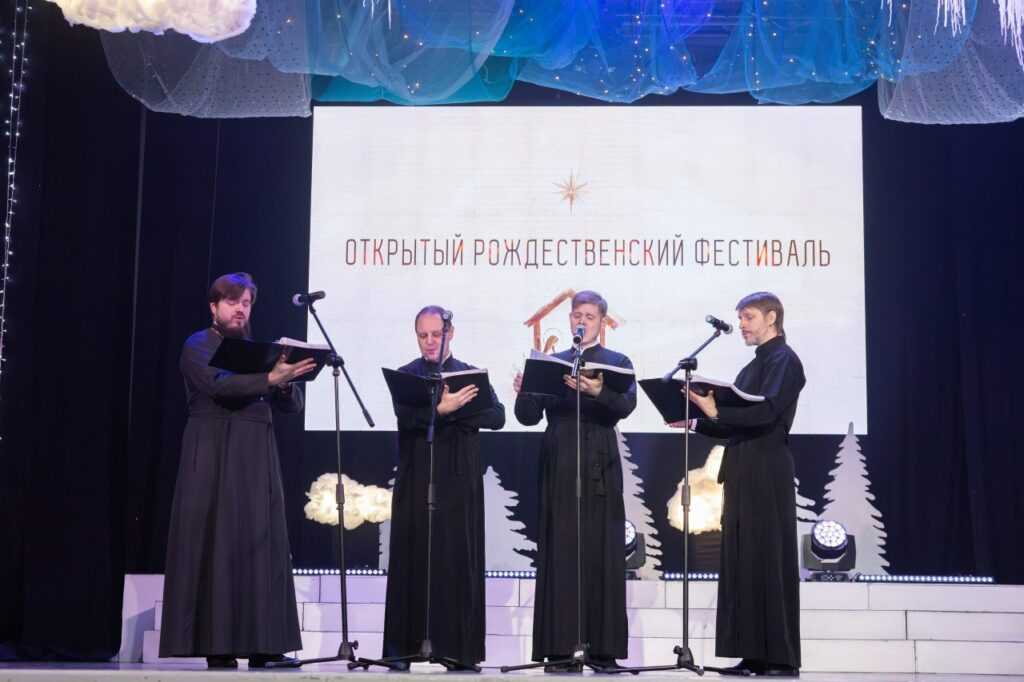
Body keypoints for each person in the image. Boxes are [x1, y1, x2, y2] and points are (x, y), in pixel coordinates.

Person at [159, 273, 317, 669]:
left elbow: (292, 405)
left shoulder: (254, 351)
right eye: (232, 302)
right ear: (214, 306)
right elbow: (220, 386)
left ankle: (266, 646)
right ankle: (219, 645)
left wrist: (283, 383)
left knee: (262, 542)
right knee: (217, 541)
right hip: (213, 451)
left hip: (255, 454)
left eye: (246, 303)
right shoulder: (198, 344)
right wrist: (269, 378)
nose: (240, 309)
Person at [513, 290, 636, 671]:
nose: (582, 321)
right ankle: (560, 648)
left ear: (601, 321)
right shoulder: (552, 362)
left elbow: (626, 406)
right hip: (561, 459)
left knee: (601, 549)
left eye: (589, 316)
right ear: (570, 320)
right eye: (576, 315)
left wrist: (598, 390)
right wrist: (525, 390)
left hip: (599, 459)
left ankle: (602, 649)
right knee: (561, 550)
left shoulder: (616, 362)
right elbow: (527, 417)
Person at [684, 291, 805, 678]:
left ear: (772, 318)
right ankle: (752, 654)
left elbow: (765, 413)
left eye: (749, 317)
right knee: (744, 560)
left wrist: (716, 410)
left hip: (767, 470)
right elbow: (732, 424)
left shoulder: (785, 360)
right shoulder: (751, 367)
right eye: (740, 318)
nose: (741, 325)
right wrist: (696, 421)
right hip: (742, 468)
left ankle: (780, 658)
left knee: (768, 558)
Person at [382, 305, 506, 670]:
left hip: (458, 480)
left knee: (455, 561)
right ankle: (402, 649)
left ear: (450, 333)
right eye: (423, 335)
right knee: (412, 558)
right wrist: (441, 410)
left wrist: (455, 409)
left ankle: (457, 650)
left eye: (436, 334)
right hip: (417, 477)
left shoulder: (468, 375)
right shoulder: (407, 376)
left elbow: (497, 416)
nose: (430, 341)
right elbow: (406, 417)